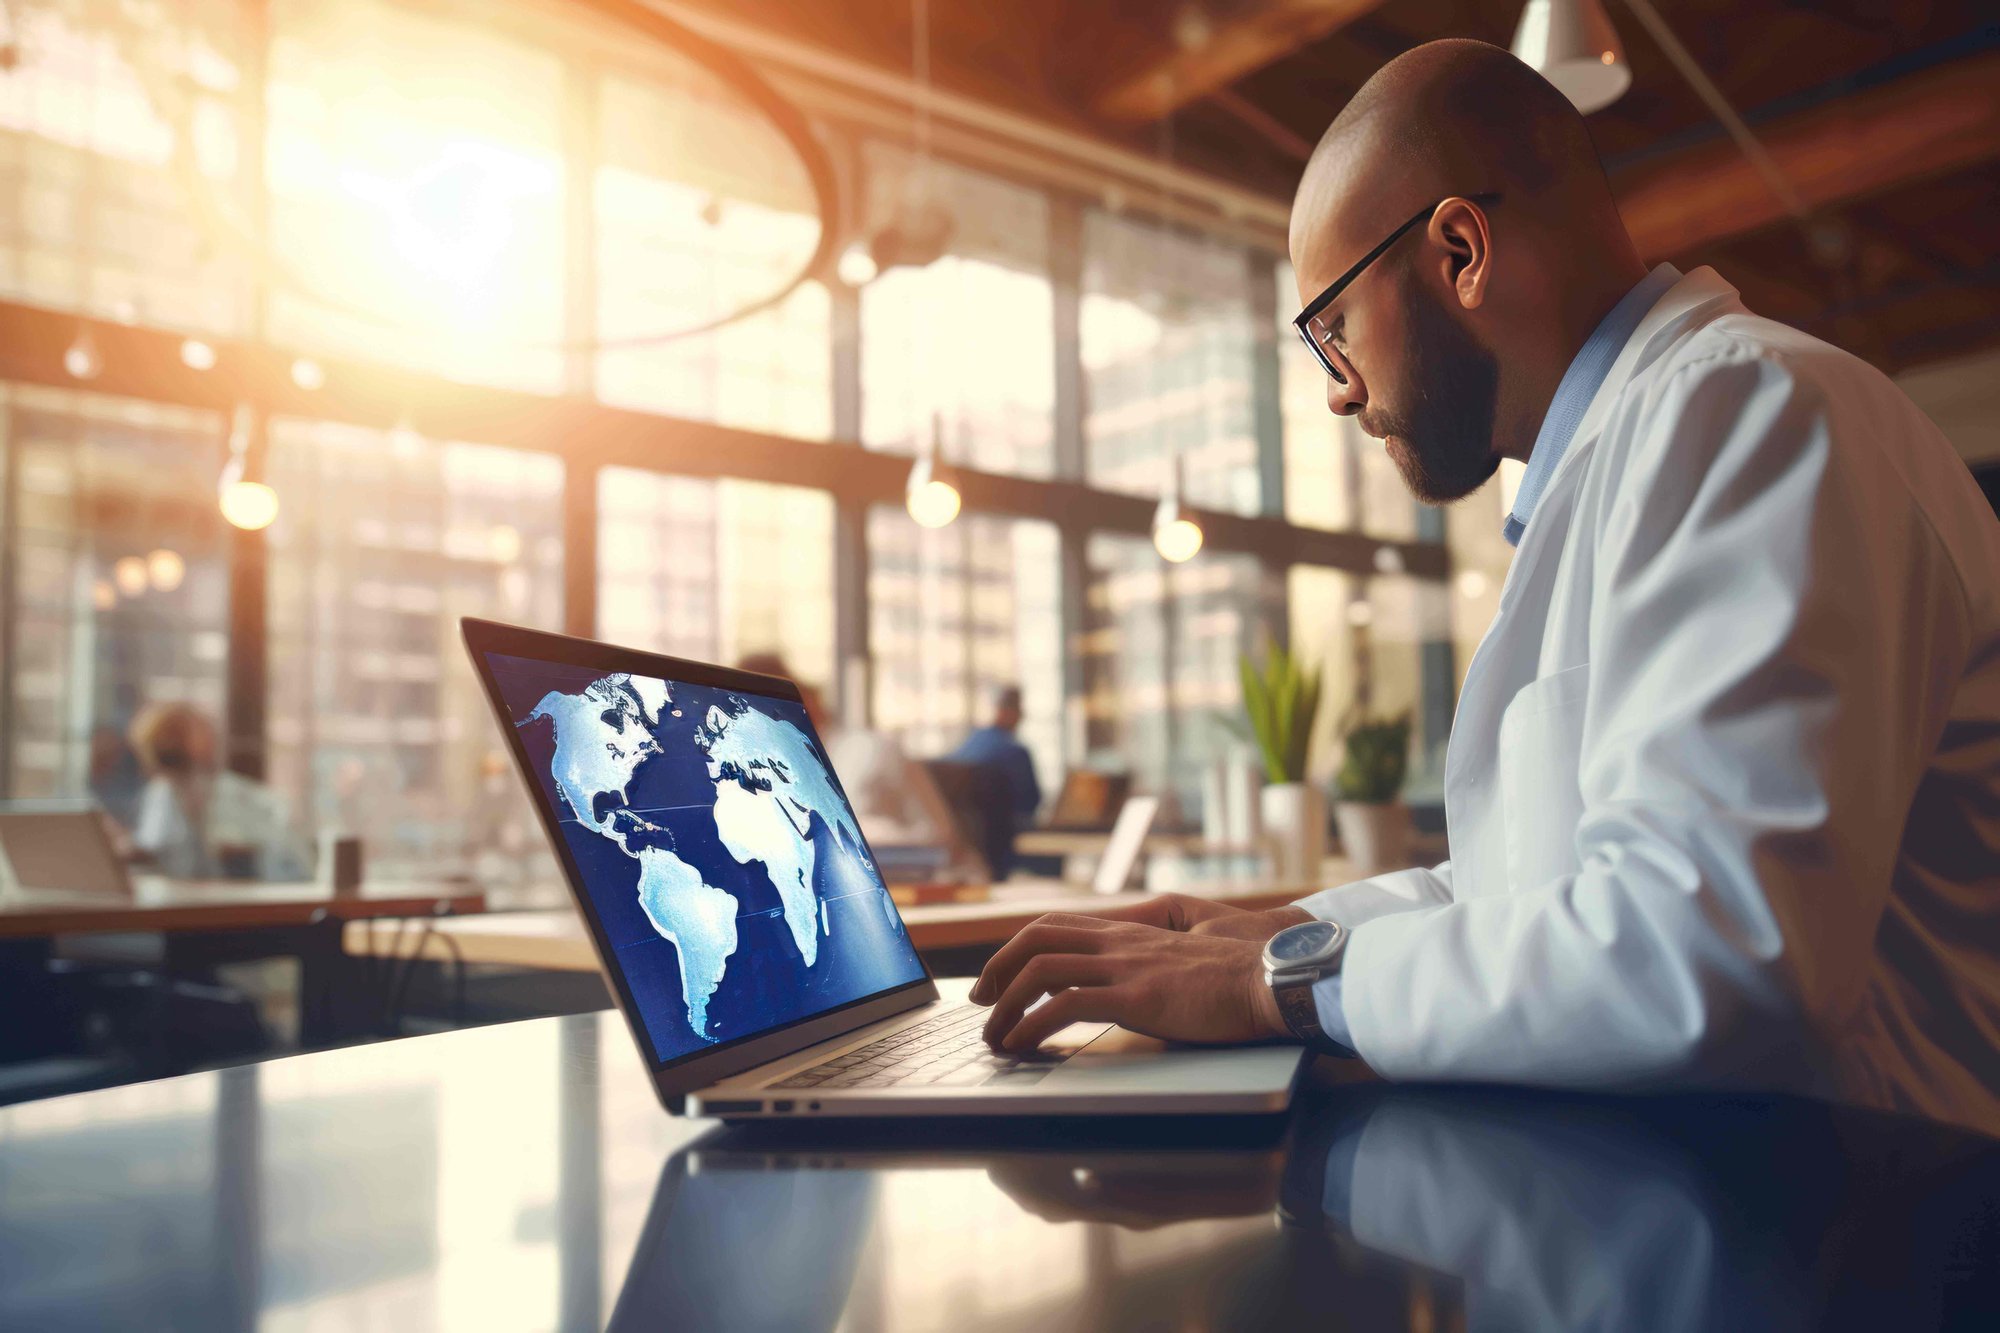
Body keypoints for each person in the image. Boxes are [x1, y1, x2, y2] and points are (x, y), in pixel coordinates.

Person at [970, 40, 2000, 1132]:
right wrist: (1268, 932)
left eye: (1330, 328)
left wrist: (1268, 983)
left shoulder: (1747, 414)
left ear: (1459, 250)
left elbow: (1707, 951)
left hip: (1868, 1228)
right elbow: (1524, 894)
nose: (1337, 393)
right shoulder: (1637, 454)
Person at [128, 703, 309, 880]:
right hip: (182, 897)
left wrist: (246, 852)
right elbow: (161, 852)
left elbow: (291, 861)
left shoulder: (247, 799)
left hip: (244, 896)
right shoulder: (160, 795)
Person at [949, 685, 1043, 833]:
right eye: (1020, 711)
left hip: (967, 837)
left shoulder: (970, 742)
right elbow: (1030, 803)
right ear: (1012, 713)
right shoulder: (1015, 753)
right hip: (1004, 840)